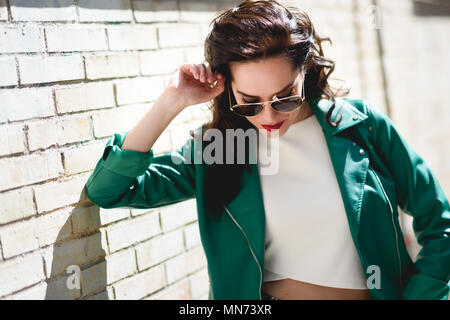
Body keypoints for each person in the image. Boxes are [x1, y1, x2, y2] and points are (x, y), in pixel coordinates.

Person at [84, 0, 450, 300]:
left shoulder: (361, 126)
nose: (269, 115)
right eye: (250, 102)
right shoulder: (222, 149)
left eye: (284, 97)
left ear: (304, 72)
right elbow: (110, 191)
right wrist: (172, 101)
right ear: (227, 89)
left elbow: (440, 223)